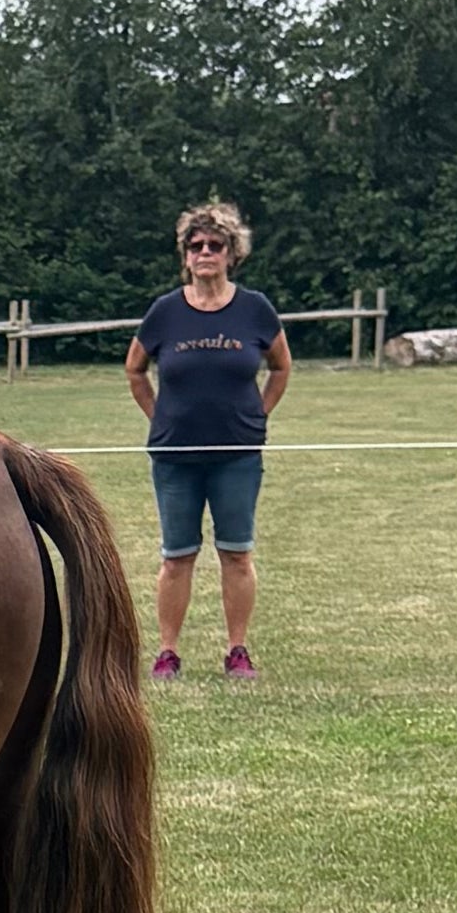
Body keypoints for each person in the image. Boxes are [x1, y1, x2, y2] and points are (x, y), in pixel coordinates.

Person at [125, 198, 291, 681]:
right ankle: (168, 653)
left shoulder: (255, 310)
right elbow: (135, 369)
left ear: (231, 252)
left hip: (236, 454)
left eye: (214, 245)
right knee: (176, 557)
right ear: (185, 255)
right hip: (175, 456)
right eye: (195, 245)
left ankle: (237, 651)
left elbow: (280, 367)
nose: (204, 252)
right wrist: (160, 419)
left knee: (236, 552)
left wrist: (258, 416)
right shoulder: (165, 312)